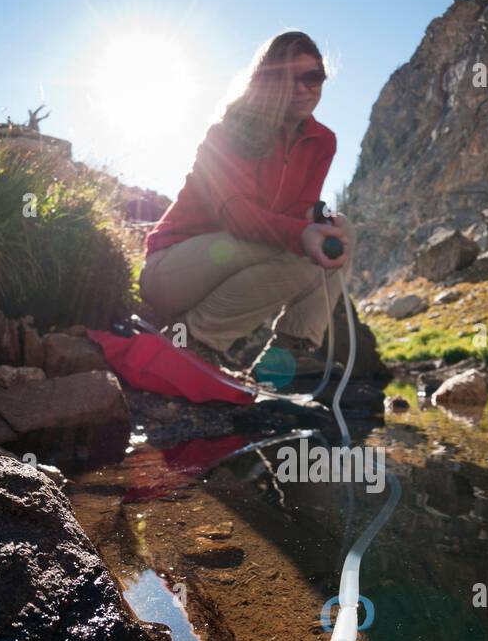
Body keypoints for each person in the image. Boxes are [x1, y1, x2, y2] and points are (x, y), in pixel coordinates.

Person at [139, 30, 354, 380]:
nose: (303, 89)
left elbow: (298, 213)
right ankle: (193, 341)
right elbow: (237, 217)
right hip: (172, 271)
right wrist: (304, 233)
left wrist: (317, 229)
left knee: (341, 231)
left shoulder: (323, 142)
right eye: (290, 79)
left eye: (313, 77)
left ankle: (287, 355)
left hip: (240, 261)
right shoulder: (225, 134)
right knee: (302, 246)